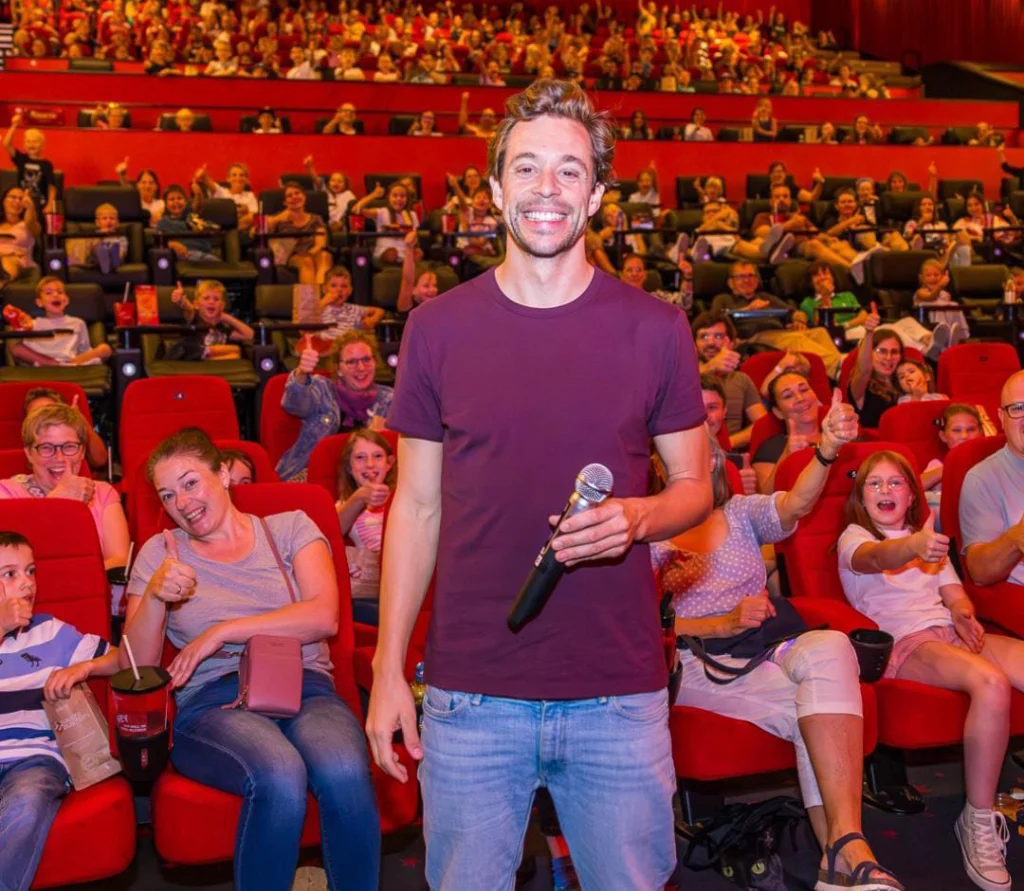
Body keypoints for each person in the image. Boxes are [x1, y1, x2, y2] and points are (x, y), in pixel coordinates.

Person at [367, 79, 712, 891]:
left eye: (568, 170)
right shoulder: (437, 328)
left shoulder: (657, 328)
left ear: (595, 193)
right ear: (494, 190)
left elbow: (695, 486)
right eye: (526, 169)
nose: (546, 190)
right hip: (469, 695)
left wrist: (638, 516)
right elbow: (415, 507)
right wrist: (387, 670)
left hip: (617, 695)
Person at [659, 407, 904, 891]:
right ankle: (845, 857)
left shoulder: (739, 512)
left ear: (713, 462)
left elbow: (793, 505)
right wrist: (719, 622)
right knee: (815, 720)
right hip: (695, 662)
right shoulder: (649, 533)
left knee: (833, 645)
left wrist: (827, 449)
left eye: (700, 451)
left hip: (765, 647)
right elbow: (640, 627)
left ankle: (844, 847)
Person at [123, 429, 380, 891]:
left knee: (344, 768)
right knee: (279, 774)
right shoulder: (159, 554)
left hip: (304, 685)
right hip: (215, 702)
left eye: (189, 483)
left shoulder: (290, 527)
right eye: (167, 494)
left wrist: (221, 631)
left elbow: (325, 616)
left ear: (223, 473)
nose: (181, 502)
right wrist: (157, 597)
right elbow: (139, 667)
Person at [839, 449, 1024, 891]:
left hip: (949, 632)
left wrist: (962, 612)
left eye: (896, 482)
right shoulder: (854, 536)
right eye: (874, 483)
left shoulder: (926, 538)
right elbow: (879, 558)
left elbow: (953, 590)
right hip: (907, 643)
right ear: (861, 498)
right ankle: (977, 820)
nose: (886, 490)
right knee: (991, 683)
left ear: (911, 493)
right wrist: (914, 546)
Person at [0, 530, 124, 891]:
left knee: (26, 803)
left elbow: (124, 659)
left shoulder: (50, 632)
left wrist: (83, 668)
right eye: (9, 574)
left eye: (31, 571)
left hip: (33, 760)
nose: (26, 583)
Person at [0, 403, 129, 572]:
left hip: (91, 593)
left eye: (69, 447)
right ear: (29, 454)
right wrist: (57, 503)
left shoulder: (103, 493)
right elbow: (9, 561)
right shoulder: (5, 494)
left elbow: (119, 561)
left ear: (82, 452)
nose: (59, 458)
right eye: (46, 448)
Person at [277, 330, 393, 482]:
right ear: (338, 369)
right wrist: (302, 373)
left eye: (366, 359)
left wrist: (385, 437)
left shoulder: (390, 399)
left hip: (367, 480)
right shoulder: (321, 388)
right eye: (351, 362)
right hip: (312, 477)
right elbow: (293, 405)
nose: (361, 368)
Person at [960, 370, 1024, 587]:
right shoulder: (982, 478)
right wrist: (1015, 539)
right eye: (1018, 408)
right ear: (1001, 418)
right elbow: (978, 571)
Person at [336, 427, 396, 626]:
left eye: (377, 456)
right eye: (360, 457)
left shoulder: (405, 497)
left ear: (389, 463)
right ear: (349, 466)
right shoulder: (345, 503)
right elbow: (332, 532)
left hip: (407, 579)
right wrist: (359, 498)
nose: (370, 464)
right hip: (373, 588)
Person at [691, 310, 766, 449]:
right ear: (694, 344)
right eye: (704, 336)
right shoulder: (681, 375)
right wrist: (710, 367)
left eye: (718, 336)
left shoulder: (741, 379)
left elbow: (763, 424)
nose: (711, 342)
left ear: (731, 343)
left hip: (730, 454)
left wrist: (727, 443)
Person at [11, 277, 113, 367]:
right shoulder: (33, 323)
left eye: (60, 292)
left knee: (105, 349)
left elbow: (84, 350)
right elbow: (22, 346)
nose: (55, 295)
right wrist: (24, 324)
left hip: (72, 361)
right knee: (17, 348)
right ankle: (55, 365)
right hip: (46, 363)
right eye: (49, 293)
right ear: (39, 302)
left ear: (66, 300)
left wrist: (78, 360)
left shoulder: (78, 323)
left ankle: (70, 364)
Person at [23, 387, 107, 473]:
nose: (44, 419)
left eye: (50, 413)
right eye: (37, 415)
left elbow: (100, 460)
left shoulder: (73, 439)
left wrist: (78, 420)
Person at [166, 279, 253, 361]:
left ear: (222, 306)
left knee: (236, 353)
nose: (211, 302)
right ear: (196, 304)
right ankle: (205, 353)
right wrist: (181, 300)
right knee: (234, 350)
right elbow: (187, 307)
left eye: (216, 299)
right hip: (193, 361)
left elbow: (249, 335)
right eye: (206, 298)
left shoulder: (222, 327)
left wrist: (226, 317)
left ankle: (208, 356)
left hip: (213, 365)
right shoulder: (193, 316)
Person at [264, 181, 331, 285]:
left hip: (313, 252)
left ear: (304, 197)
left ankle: (322, 298)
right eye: (289, 196)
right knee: (306, 261)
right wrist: (276, 219)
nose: (294, 197)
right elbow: (257, 231)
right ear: (285, 202)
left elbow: (320, 244)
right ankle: (309, 300)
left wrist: (310, 254)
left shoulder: (316, 219)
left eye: (297, 193)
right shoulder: (278, 218)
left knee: (325, 257)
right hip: (291, 256)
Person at [3, 114, 56, 217]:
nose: (31, 144)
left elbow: (51, 186)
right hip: (21, 204)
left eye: (35, 142)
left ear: (42, 145)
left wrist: (50, 204)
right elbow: (6, 144)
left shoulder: (46, 165)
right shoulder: (21, 159)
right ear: (24, 145)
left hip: (40, 205)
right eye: (28, 141)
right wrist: (14, 125)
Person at [67, 202, 128, 274]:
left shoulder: (120, 237)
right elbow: (87, 250)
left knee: (118, 246)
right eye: (104, 218)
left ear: (117, 223)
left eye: (112, 218)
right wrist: (101, 235)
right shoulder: (94, 235)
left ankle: (112, 257)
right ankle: (104, 256)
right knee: (96, 245)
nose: (109, 221)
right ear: (97, 223)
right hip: (96, 258)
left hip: (116, 255)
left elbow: (123, 252)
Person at [0, 187, 40, 282]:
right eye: (13, 197)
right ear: (3, 201)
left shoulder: (28, 225)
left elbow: (32, 222)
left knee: (9, 260)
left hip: (19, 263)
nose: (17, 201)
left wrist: (30, 208)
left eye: (21, 199)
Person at [114, 159, 163, 224]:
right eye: (143, 182)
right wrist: (122, 174)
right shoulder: (134, 204)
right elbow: (127, 187)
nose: (147, 186)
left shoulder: (161, 204)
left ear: (156, 186)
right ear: (137, 185)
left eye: (151, 183)